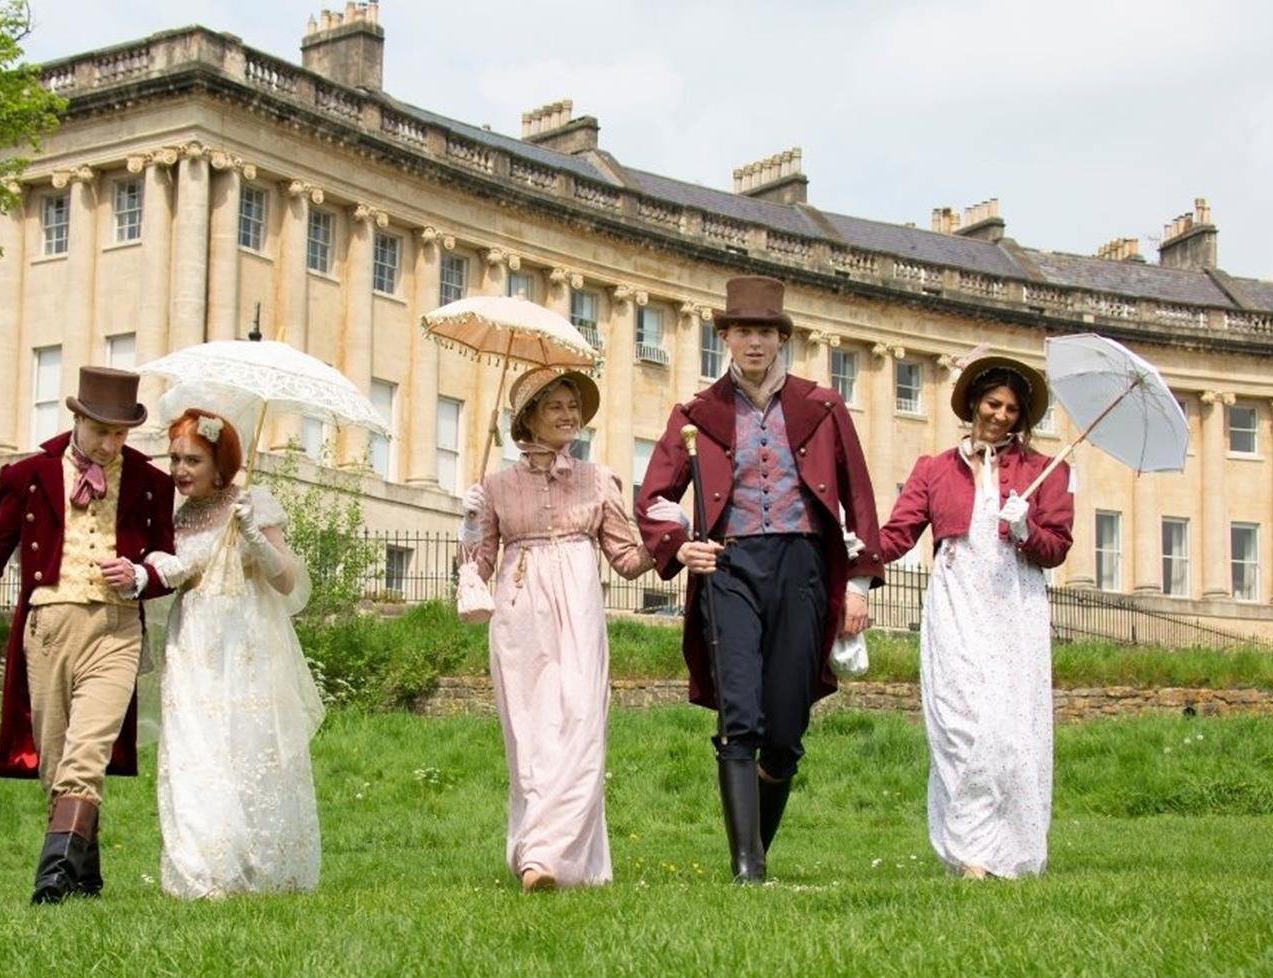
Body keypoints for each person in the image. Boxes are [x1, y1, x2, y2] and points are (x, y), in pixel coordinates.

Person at [636, 275, 884, 883]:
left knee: (786, 725)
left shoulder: (822, 408)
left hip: (802, 567)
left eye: (765, 331)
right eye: (742, 330)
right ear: (724, 335)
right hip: (730, 567)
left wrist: (856, 584)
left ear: (780, 339)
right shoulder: (697, 413)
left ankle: (759, 850)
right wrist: (679, 544)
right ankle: (748, 868)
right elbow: (654, 498)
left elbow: (858, 499)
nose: (753, 341)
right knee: (740, 714)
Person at [0, 365, 176, 904]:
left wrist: (142, 576)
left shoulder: (150, 483)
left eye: (122, 433)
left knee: (86, 752)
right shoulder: (26, 475)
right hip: (45, 628)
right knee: (55, 759)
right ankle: (85, 877)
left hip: (115, 630)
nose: (112, 443)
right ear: (78, 418)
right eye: (102, 431)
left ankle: (52, 879)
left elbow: (167, 558)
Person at [876, 356, 1073, 880]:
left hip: (1014, 601)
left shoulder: (1047, 472)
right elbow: (898, 536)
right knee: (962, 723)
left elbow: (1056, 550)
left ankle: (1004, 852)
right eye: (993, 404)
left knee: (1010, 733)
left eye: (1012, 409)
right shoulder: (934, 469)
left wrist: (1029, 530)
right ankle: (967, 851)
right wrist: (854, 550)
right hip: (957, 598)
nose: (1002, 416)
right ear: (972, 405)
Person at [460, 366, 653, 892]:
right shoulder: (496, 486)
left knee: (582, 724)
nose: (570, 415)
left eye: (574, 406)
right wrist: (470, 525)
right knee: (530, 730)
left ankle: (553, 856)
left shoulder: (598, 480)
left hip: (580, 609)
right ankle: (537, 859)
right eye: (556, 407)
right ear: (529, 418)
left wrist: (667, 540)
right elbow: (478, 567)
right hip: (520, 611)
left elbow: (628, 560)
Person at [143, 403, 324, 899]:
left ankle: (257, 865)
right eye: (175, 458)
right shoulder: (177, 517)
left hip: (246, 638)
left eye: (193, 461)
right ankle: (205, 868)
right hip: (193, 638)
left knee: (247, 747)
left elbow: (286, 581)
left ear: (221, 462)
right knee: (194, 747)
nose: (180, 470)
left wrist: (253, 536)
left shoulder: (255, 503)